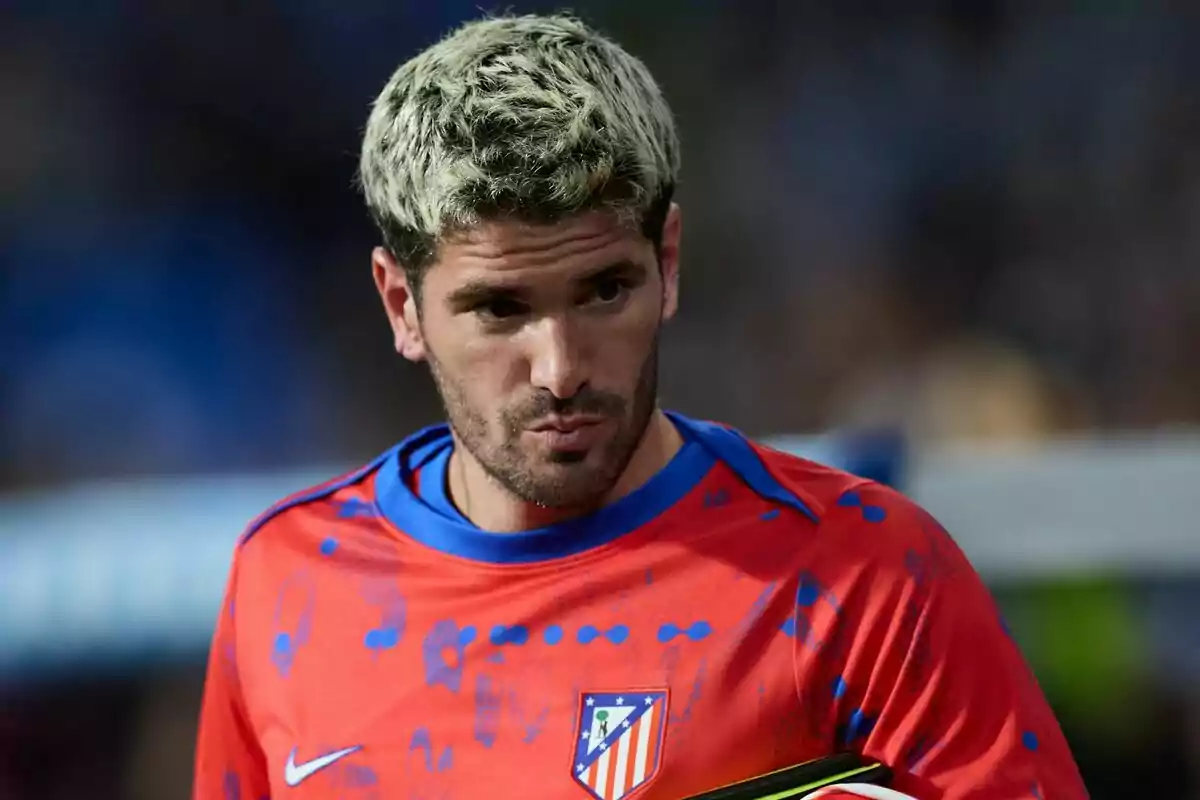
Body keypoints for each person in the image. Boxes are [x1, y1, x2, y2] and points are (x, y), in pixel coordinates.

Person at [192, 14, 1088, 800]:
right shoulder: (288, 586)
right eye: (499, 308)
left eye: (603, 290)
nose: (561, 367)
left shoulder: (870, 578)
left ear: (668, 261)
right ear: (402, 307)